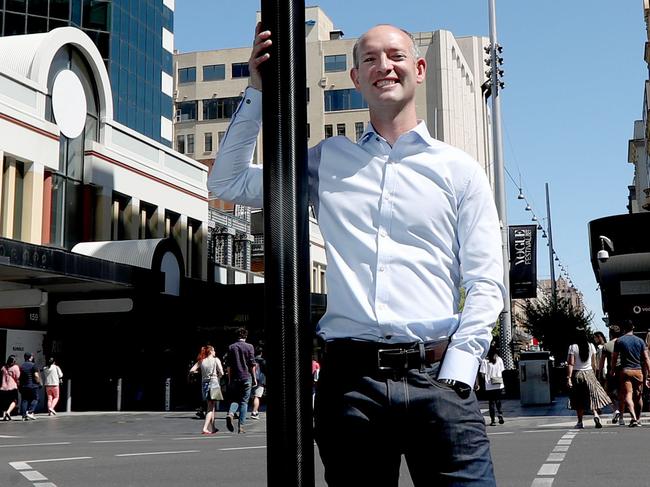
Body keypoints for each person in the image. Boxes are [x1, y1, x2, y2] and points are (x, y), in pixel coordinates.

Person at [209, 22, 505, 485]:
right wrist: (257, 92)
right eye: (370, 59)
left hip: (439, 378)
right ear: (355, 78)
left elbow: (486, 282)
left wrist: (460, 372)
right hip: (351, 385)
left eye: (396, 56)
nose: (383, 66)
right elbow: (226, 183)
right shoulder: (326, 161)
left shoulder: (460, 171)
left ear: (420, 69)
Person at [566, 329, 611, 429]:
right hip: (589, 373)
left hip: (577, 374)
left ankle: (580, 422)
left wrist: (568, 378)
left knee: (579, 399)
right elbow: (594, 363)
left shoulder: (573, 347)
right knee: (592, 396)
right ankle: (595, 414)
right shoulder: (591, 346)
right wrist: (594, 376)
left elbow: (571, 363)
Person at [611, 320, 650, 427]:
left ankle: (633, 417)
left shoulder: (619, 341)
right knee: (638, 396)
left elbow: (614, 357)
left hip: (625, 370)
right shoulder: (640, 341)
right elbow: (646, 358)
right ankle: (638, 419)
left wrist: (613, 369)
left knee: (628, 394)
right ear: (633, 328)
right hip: (638, 371)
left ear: (623, 329)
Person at [225, 328, 256, 434]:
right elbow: (252, 364)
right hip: (246, 377)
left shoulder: (231, 347)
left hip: (235, 377)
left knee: (235, 399)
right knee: (244, 402)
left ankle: (231, 413)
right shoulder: (250, 347)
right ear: (246, 336)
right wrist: (255, 378)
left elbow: (228, 365)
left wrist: (229, 379)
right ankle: (241, 427)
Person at [189, 345, 224, 435]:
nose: (215, 352)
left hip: (204, 384)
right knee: (210, 407)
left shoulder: (202, 361)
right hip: (214, 383)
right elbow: (221, 372)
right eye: (214, 350)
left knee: (211, 406)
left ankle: (213, 427)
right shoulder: (216, 360)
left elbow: (191, 370)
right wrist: (219, 375)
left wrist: (200, 372)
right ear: (211, 351)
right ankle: (205, 428)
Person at [600, 325, 622, 423]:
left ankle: (616, 409)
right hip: (623, 371)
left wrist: (599, 373)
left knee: (608, 393)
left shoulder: (606, 346)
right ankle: (621, 417)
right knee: (623, 394)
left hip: (611, 372)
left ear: (610, 334)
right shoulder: (624, 343)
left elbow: (601, 362)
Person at [480, 345, 505, 426]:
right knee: (498, 400)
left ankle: (493, 420)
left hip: (489, 385)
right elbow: (502, 371)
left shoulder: (485, 361)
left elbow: (482, 374)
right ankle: (500, 414)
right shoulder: (499, 359)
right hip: (499, 384)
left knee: (491, 403)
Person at [19, 352, 41, 420]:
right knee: (36, 398)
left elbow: (21, 377)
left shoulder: (22, 366)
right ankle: (30, 411)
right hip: (33, 386)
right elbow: (36, 375)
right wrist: (38, 382)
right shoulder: (33, 365)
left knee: (24, 400)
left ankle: (23, 416)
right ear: (30, 357)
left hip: (24, 386)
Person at [1, 355, 20, 421]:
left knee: (5, 402)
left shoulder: (3, 367)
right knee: (15, 401)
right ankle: (8, 412)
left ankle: (4, 416)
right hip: (12, 387)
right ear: (13, 361)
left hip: (3, 387)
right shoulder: (15, 367)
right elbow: (18, 377)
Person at [250, 346, 266, 420]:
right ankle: (254, 412)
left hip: (251, 379)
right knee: (257, 396)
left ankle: (255, 411)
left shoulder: (251, 360)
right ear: (261, 353)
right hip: (260, 379)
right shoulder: (262, 361)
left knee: (253, 396)